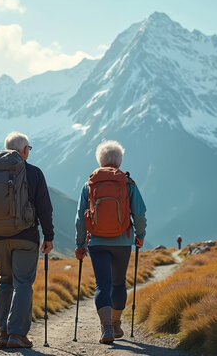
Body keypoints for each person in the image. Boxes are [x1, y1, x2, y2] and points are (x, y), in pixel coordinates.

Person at [0, 131, 54, 349]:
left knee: (4, 280)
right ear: (24, 151)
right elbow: (44, 207)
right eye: (29, 149)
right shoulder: (33, 173)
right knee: (23, 283)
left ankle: (3, 333)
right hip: (26, 237)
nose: (29, 152)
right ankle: (17, 334)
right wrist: (49, 236)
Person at [75, 140, 147, 344]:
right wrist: (140, 235)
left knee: (102, 285)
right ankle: (115, 325)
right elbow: (139, 213)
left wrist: (80, 245)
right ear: (119, 160)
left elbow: (80, 218)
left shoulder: (89, 184)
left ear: (100, 160)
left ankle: (106, 329)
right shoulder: (127, 182)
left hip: (97, 242)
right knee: (118, 284)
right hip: (123, 242)